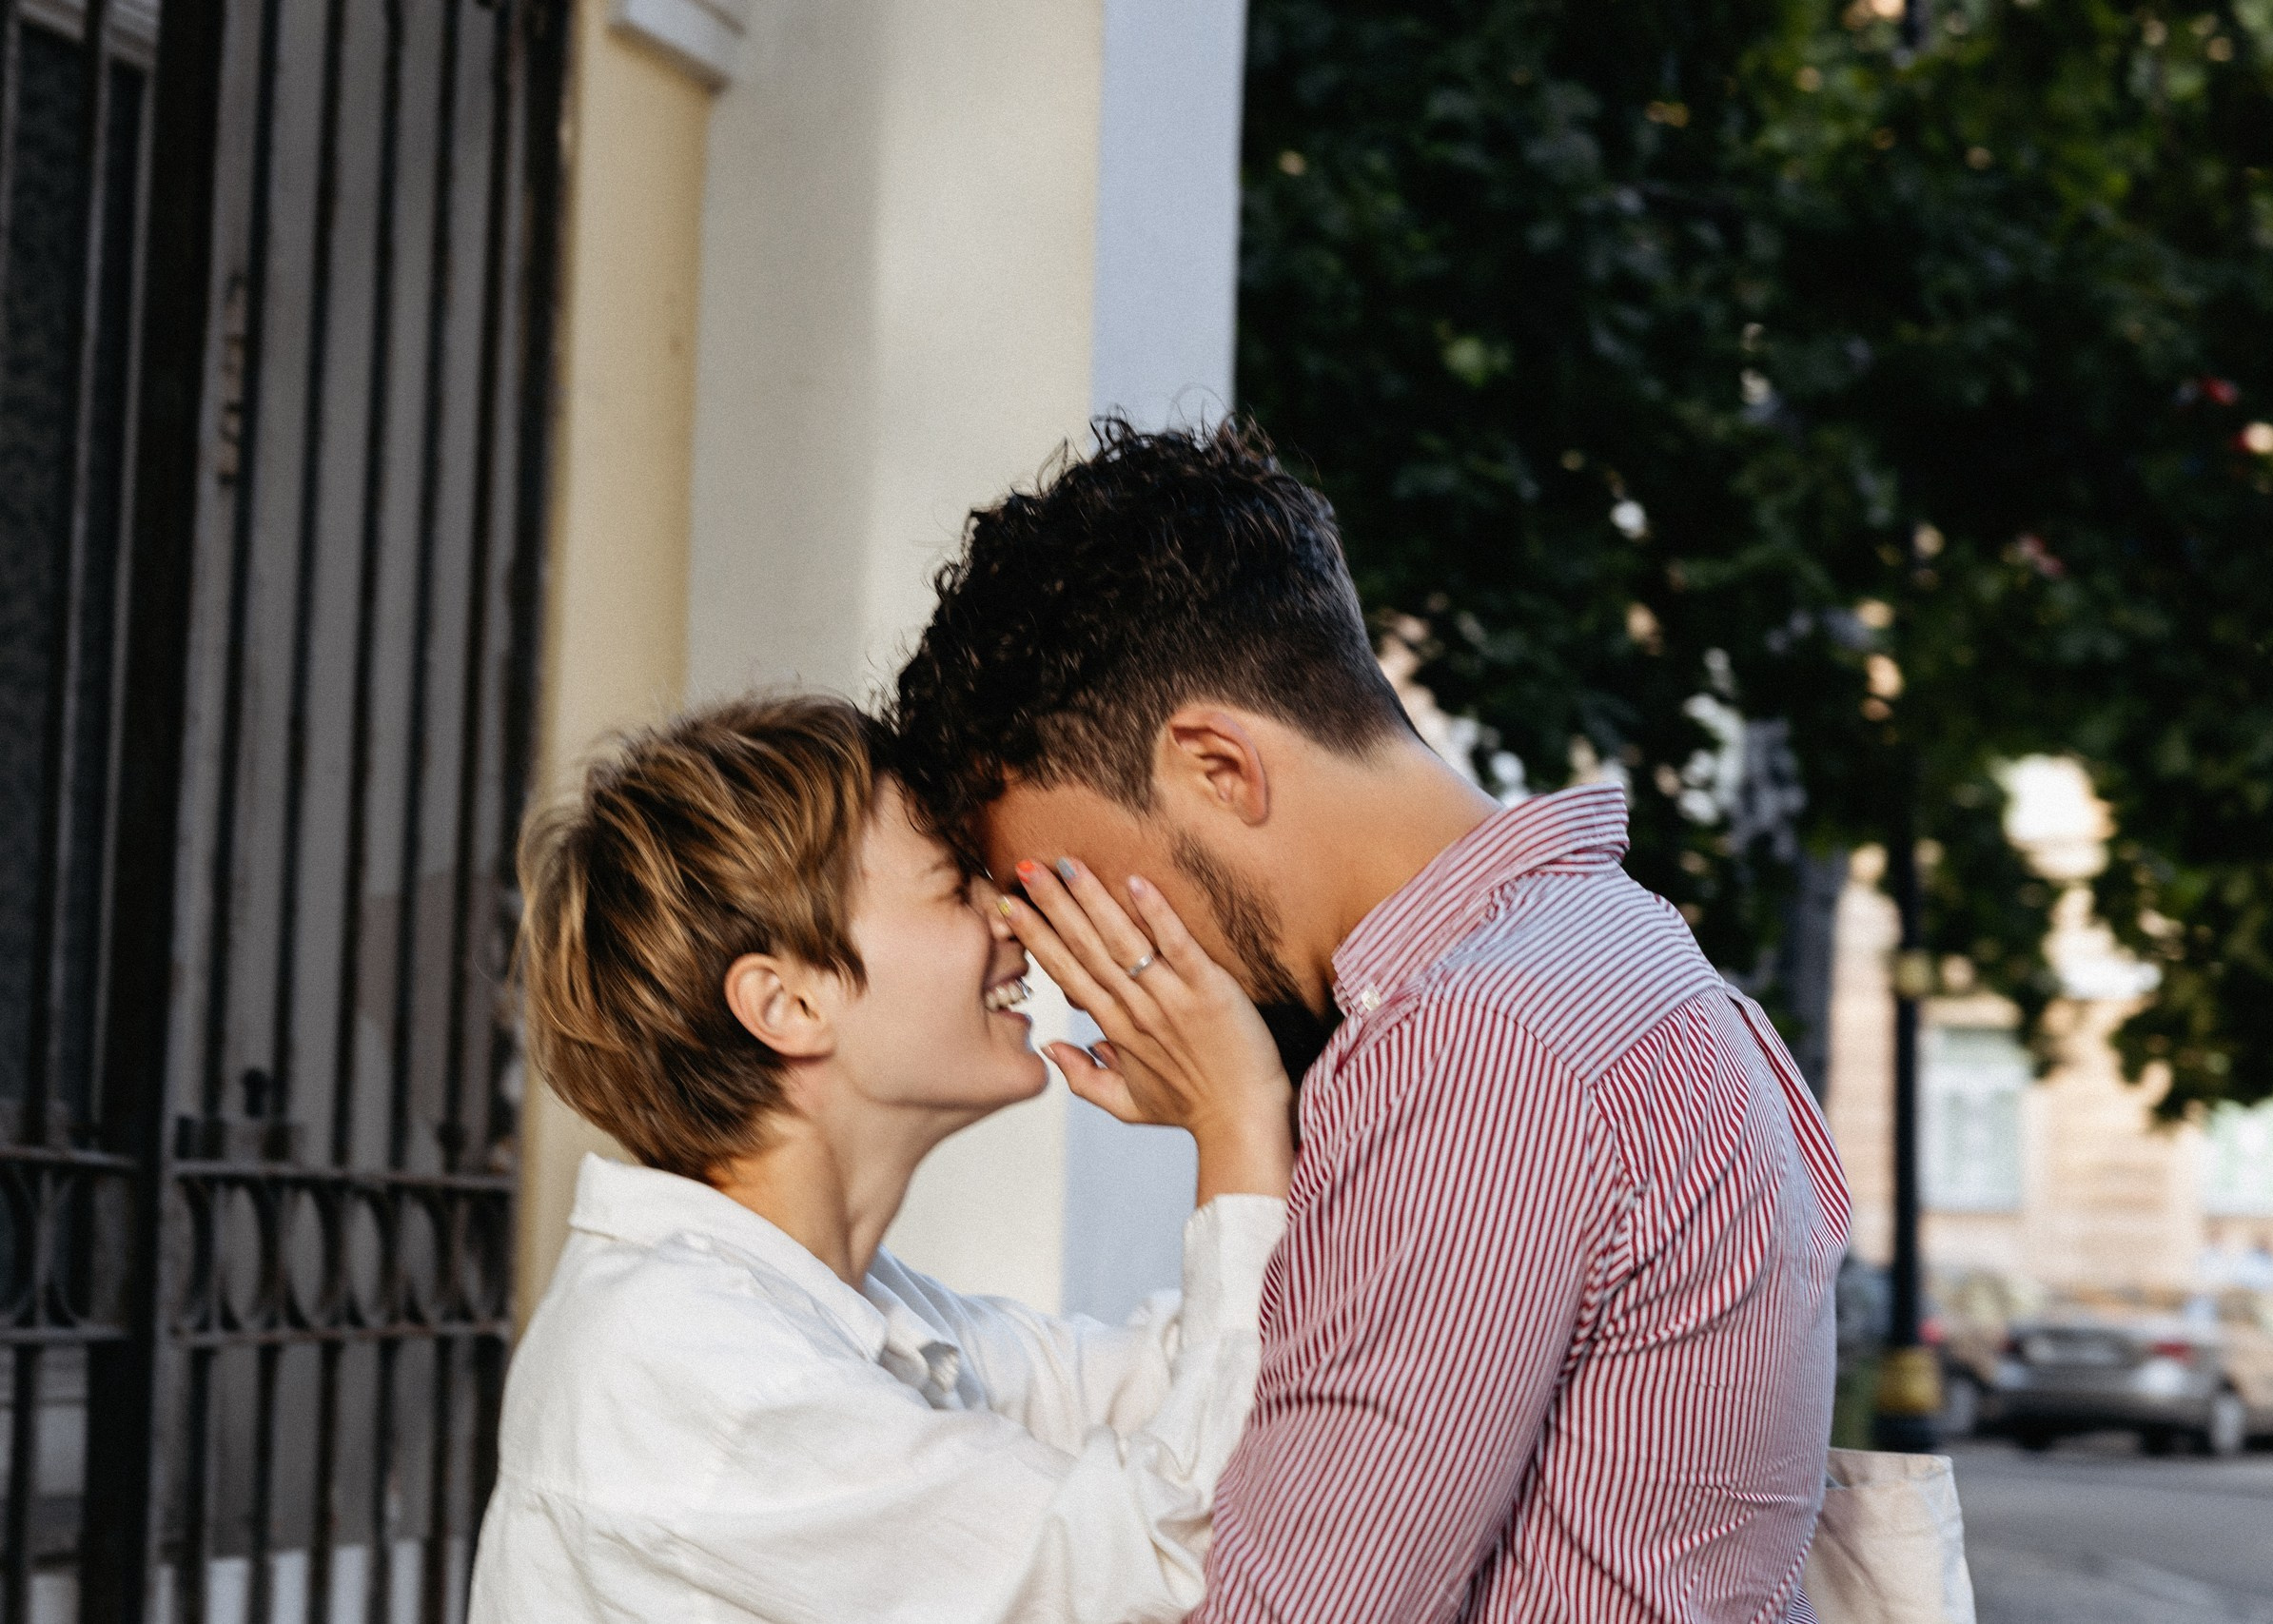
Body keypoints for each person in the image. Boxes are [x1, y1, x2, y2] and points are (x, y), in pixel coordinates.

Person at [890, 420, 1854, 1623]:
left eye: (1068, 890)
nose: (1083, 976)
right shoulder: (1619, 960)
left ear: (1217, 769)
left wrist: (1244, 1122)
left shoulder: (1478, 1055)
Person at [467, 695, 1296, 1623]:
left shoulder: (838, 1307)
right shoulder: (698, 1371)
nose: (1013, 919)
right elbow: (1172, 1564)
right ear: (787, 1005)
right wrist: (1235, 1119)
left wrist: (1260, 1087)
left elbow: (1180, 1383)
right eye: (953, 884)